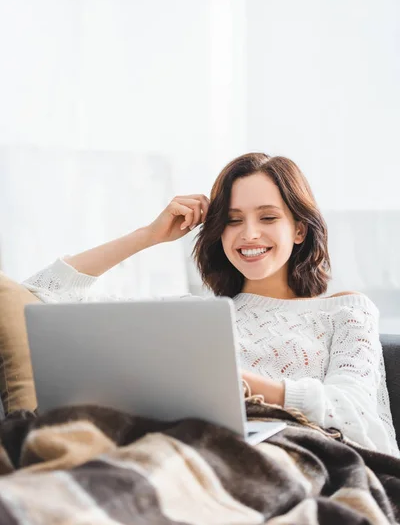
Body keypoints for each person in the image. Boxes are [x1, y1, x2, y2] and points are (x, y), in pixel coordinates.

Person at [23, 152, 399, 457]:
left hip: (286, 456)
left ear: (299, 229)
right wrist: (147, 236)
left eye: (267, 217)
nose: (249, 233)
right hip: (184, 450)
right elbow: (41, 294)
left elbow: (354, 411)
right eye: (233, 221)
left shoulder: (344, 310)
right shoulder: (195, 315)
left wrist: (243, 384)